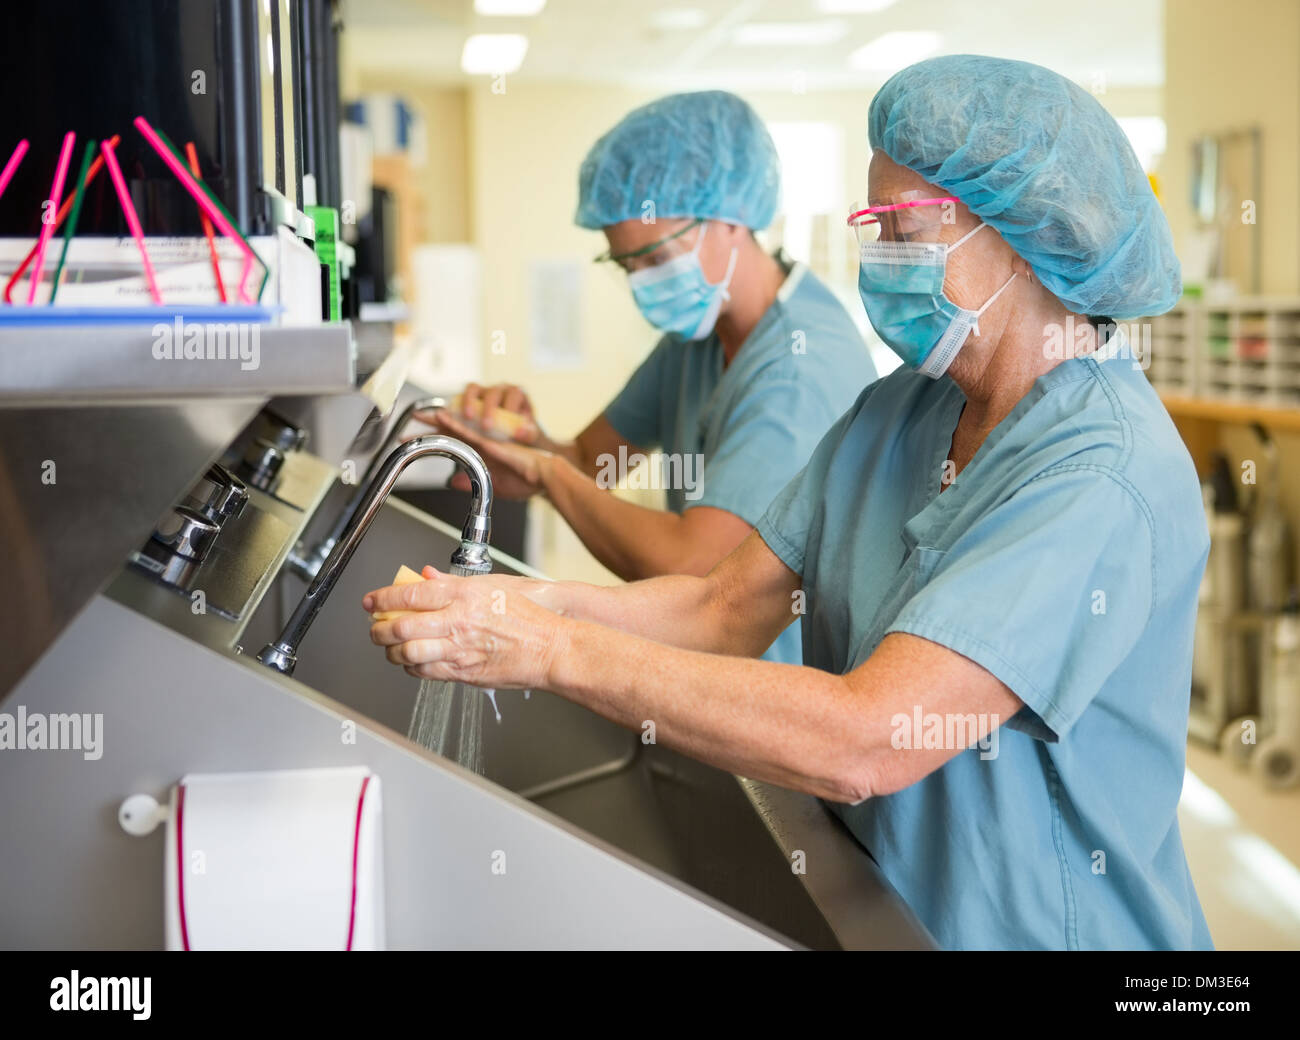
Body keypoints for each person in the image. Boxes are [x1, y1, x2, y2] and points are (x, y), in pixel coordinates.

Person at [369, 56, 1212, 951]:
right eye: (872, 222)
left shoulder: (1097, 471)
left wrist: (551, 650)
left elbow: (870, 739)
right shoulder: (902, 412)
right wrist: (520, 605)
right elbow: (721, 604)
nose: (879, 253)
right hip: (889, 908)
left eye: (908, 227)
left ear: (1024, 232)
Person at [425, 90, 876, 666]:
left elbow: (695, 572)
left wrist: (548, 475)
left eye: (657, 258)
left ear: (731, 218)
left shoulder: (798, 368)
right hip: (720, 677)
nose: (643, 284)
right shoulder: (699, 337)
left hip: (786, 685)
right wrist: (522, 442)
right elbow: (591, 458)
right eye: (625, 266)